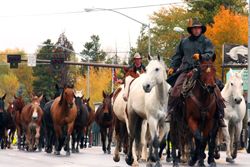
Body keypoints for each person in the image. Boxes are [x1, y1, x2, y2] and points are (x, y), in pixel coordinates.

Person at [166, 18, 226, 127]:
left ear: (201, 29)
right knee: (175, 89)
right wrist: (173, 67)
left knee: (216, 88)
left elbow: (210, 53)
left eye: (198, 28)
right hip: (186, 69)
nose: (196, 30)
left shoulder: (206, 41)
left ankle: (220, 115)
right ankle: (170, 111)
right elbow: (177, 56)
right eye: (194, 28)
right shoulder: (184, 42)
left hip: (203, 69)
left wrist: (201, 56)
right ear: (191, 30)